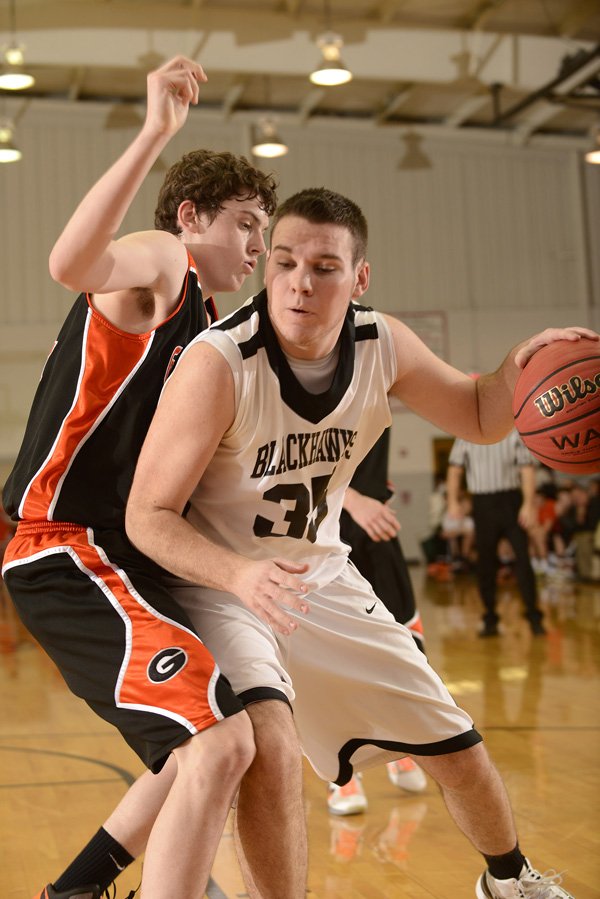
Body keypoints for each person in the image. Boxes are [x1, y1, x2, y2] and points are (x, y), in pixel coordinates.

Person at [116, 187, 593, 898]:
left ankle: (511, 879)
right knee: (269, 747)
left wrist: (519, 368)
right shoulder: (221, 362)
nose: (300, 282)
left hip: (319, 576)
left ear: (359, 277)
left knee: (454, 742)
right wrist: (240, 576)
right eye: (284, 262)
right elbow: (146, 515)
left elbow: (480, 414)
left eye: (324, 266)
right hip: (221, 583)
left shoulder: (382, 343)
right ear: (268, 268)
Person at [1, 56, 281, 899]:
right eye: (246, 225)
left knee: (214, 732)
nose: (258, 249)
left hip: (117, 557)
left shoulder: (214, 334)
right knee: (222, 742)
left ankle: (79, 888)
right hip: (64, 546)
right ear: (193, 217)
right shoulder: (167, 262)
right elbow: (70, 261)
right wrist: (154, 131)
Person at [327, 427, 428, 815]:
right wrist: (352, 501)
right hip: (321, 531)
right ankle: (344, 775)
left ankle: (400, 744)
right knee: (334, 665)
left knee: (407, 653)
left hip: (377, 525)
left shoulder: (380, 369)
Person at [446, 430, 547, 637]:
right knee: (486, 563)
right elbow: (455, 470)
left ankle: (534, 617)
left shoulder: (514, 433)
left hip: (511, 500)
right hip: (483, 503)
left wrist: (528, 504)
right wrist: (452, 502)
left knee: (523, 560)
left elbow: (527, 469)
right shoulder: (466, 434)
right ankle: (490, 617)